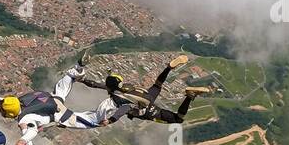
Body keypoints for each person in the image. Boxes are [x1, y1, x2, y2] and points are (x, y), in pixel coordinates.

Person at [0, 63, 104, 144]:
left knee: (91, 121)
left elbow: (31, 131)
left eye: (3, 111)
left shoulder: (24, 118)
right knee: (61, 89)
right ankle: (75, 70)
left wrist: (22, 140)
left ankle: (111, 109)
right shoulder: (12, 102)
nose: (0, 112)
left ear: (10, 112)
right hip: (52, 99)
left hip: (59, 114)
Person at [78, 53, 210, 127]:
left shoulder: (117, 98)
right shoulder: (124, 87)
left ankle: (189, 96)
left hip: (146, 110)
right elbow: (96, 84)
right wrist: (84, 80)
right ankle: (169, 68)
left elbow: (124, 109)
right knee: (158, 84)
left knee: (178, 119)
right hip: (146, 95)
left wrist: (110, 120)